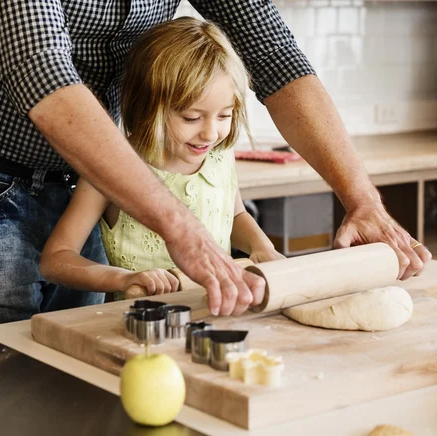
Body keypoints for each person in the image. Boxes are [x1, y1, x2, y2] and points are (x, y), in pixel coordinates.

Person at [0, 1, 431, 335]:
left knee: (77, 373)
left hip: (97, 173)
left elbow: (274, 54)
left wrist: (361, 198)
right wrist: (181, 225)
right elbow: (41, 68)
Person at [39, 18, 285, 302]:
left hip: (215, 313)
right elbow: (55, 260)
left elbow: (236, 216)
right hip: (142, 325)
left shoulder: (219, 157)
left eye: (224, 115)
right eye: (191, 117)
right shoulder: (111, 168)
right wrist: (124, 278)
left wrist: (260, 245)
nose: (210, 132)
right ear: (147, 107)